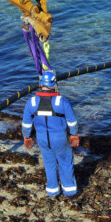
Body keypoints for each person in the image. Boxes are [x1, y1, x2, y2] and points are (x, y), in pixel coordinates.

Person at [22, 70, 80, 198]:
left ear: (41, 84)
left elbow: (26, 124)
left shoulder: (31, 102)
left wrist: (27, 137)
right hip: (59, 138)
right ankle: (69, 191)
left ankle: (53, 192)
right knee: (65, 162)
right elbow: (72, 122)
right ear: (54, 84)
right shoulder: (62, 101)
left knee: (49, 164)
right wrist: (74, 135)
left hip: (42, 138)